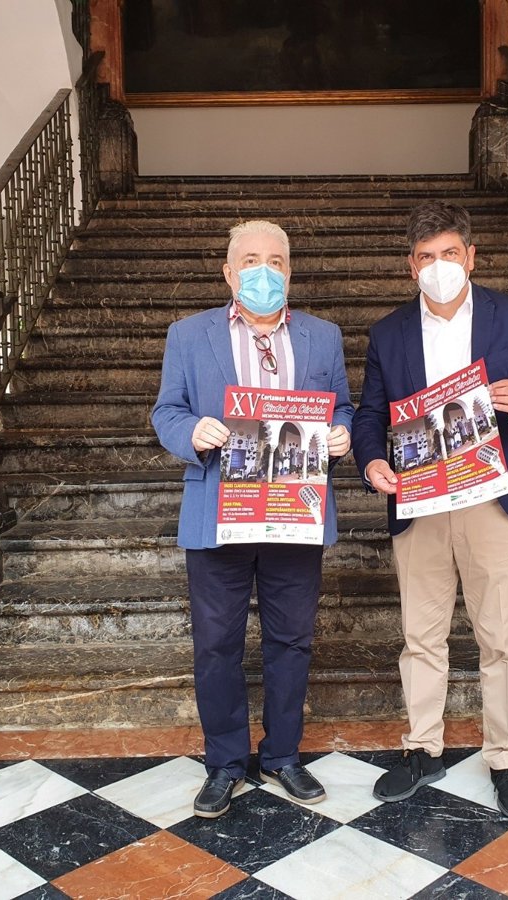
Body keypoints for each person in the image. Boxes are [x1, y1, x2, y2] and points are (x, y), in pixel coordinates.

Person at [352, 201, 508, 819]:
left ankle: (504, 756)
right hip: (420, 500)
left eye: (450, 253)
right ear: (410, 266)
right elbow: (369, 414)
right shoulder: (389, 332)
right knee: (420, 636)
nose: (439, 266)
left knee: (499, 637)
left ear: (471, 257)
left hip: (492, 501)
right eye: (426, 257)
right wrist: (372, 462)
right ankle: (423, 748)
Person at [152, 220, 353, 819]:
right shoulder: (189, 335)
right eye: (250, 261)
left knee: (291, 640)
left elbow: (342, 406)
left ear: (289, 271)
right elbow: (166, 411)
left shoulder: (323, 336)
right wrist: (192, 431)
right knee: (216, 644)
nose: (263, 271)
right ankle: (225, 763)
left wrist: (341, 433)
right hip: (219, 514)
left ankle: (283, 755)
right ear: (228, 272)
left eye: (275, 261)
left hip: (295, 513)